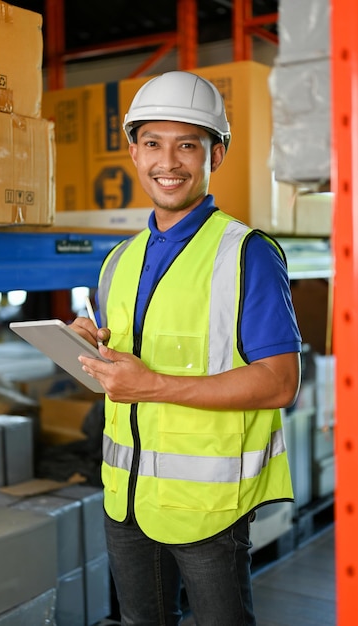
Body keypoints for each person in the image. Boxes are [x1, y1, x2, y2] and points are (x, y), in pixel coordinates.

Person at [70, 70, 302, 626]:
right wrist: (88, 349)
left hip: (208, 509)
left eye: (187, 145)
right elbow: (120, 373)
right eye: (153, 143)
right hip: (125, 497)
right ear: (133, 151)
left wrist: (149, 383)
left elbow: (279, 384)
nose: (167, 162)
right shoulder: (117, 260)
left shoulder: (247, 254)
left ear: (214, 155)